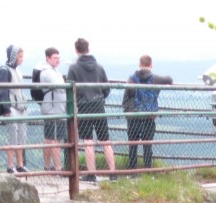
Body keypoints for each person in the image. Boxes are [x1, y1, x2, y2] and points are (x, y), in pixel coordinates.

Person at [66, 38, 116, 181]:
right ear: (88, 48)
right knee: (105, 140)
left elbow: (70, 89)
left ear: (76, 50)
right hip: (99, 106)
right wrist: (100, 98)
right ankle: (112, 173)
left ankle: (91, 173)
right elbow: (106, 88)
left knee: (88, 140)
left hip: (83, 107)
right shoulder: (99, 67)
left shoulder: (73, 68)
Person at [122, 55, 172, 170]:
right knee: (147, 145)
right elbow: (169, 79)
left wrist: (127, 113)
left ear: (139, 65)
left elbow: (126, 99)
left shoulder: (131, 79)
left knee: (132, 145)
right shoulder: (157, 79)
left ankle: (132, 170)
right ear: (151, 65)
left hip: (133, 117)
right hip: (149, 118)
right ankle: (147, 169)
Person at [0, 45, 28, 173]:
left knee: (21, 137)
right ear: (14, 57)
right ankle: (10, 165)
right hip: (12, 107)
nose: (22, 59)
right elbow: (2, 90)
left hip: (21, 107)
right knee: (12, 137)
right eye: (20, 56)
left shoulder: (18, 71)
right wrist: (6, 108)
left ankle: (20, 164)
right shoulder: (5, 70)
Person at [37, 47, 67, 172]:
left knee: (49, 138)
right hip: (54, 109)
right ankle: (58, 168)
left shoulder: (53, 71)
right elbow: (60, 86)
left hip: (53, 108)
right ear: (47, 58)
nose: (57, 60)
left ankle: (47, 166)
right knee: (55, 139)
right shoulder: (48, 72)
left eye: (58, 58)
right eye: (55, 58)